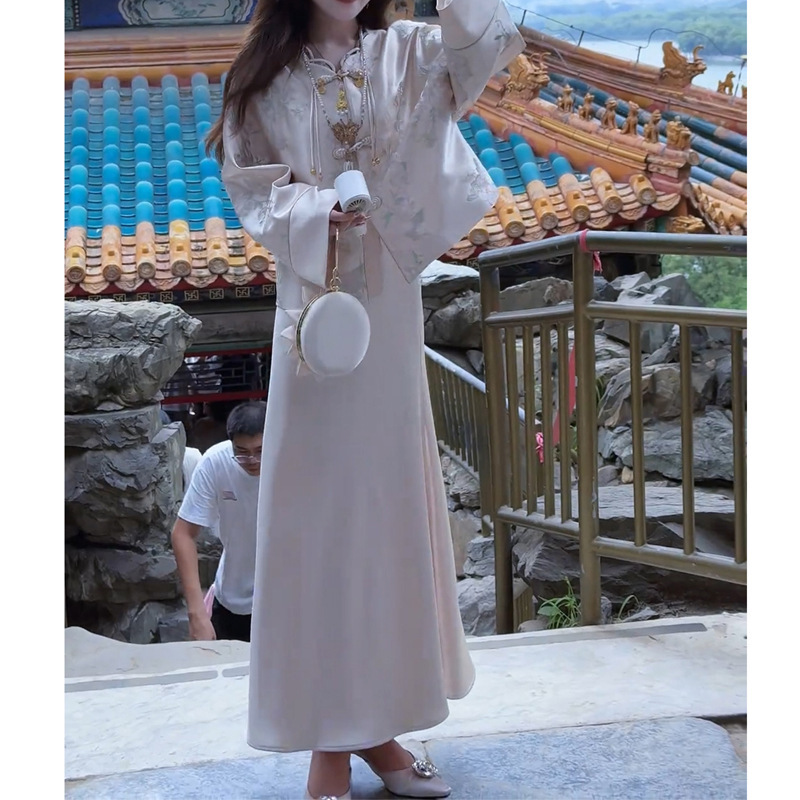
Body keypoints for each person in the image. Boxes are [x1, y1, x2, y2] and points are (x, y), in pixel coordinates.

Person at [208, 1, 524, 797]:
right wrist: (321, 210)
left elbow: (482, 51)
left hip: (387, 315)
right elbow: (252, 189)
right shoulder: (265, 80)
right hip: (315, 324)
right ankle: (331, 740)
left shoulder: (409, 51)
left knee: (383, 519)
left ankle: (378, 727)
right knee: (317, 525)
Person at [171, 401, 266, 643]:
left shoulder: (294, 463)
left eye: (260, 450)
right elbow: (183, 533)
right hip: (233, 598)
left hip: (287, 600)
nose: (252, 460)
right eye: (241, 452)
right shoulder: (216, 462)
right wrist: (196, 612)